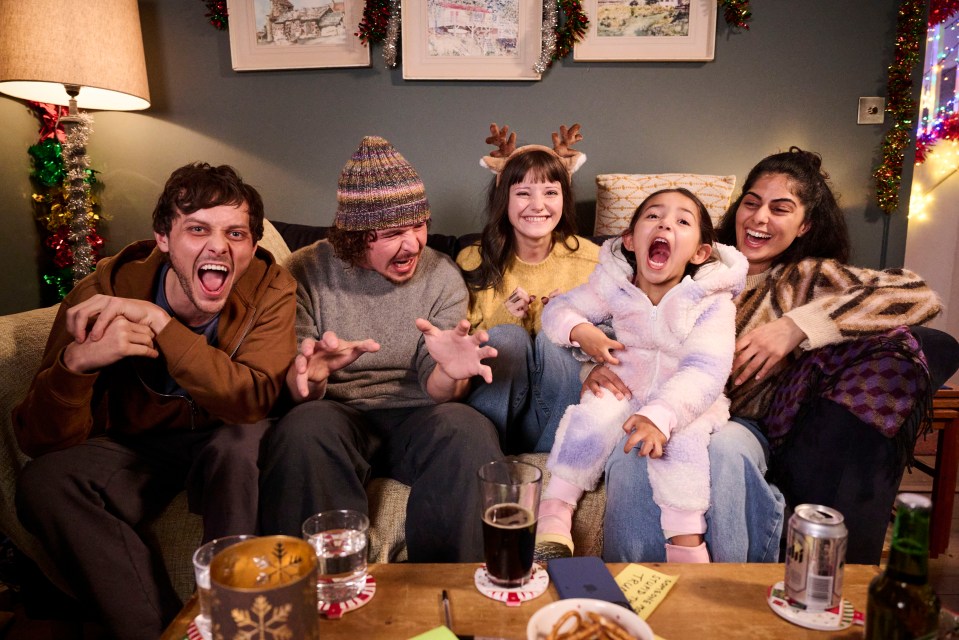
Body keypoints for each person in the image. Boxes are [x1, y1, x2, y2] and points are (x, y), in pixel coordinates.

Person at [597, 147, 957, 565]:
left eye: (780, 209)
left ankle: (726, 595)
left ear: (804, 225)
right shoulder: (693, 261)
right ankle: (629, 590)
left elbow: (916, 294)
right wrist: (594, 364)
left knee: (726, 451)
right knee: (637, 454)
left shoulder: (804, 278)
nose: (760, 218)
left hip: (736, 422)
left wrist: (797, 327)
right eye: (751, 203)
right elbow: (618, 314)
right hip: (654, 407)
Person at [13, 162, 297, 639]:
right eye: (198, 229)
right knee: (44, 482)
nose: (219, 246)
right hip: (139, 445)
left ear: (252, 245)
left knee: (240, 444)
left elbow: (251, 401)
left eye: (236, 233)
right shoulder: (102, 291)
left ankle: (233, 621)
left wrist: (161, 325)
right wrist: (77, 364)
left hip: (227, 434)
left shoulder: (270, 288)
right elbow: (39, 439)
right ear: (164, 238)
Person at [258, 136, 502, 562]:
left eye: (419, 225)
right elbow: (298, 386)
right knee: (302, 428)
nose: (413, 244)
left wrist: (450, 371)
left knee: (467, 426)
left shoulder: (442, 276)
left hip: (418, 414)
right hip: (336, 414)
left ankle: (452, 596)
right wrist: (311, 380)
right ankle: (323, 595)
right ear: (356, 236)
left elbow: (440, 390)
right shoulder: (302, 272)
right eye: (393, 233)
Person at [534, 189, 747, 563]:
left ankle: (686, 545)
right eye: (653, 216)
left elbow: (706, 369)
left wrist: (660, 416)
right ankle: (554, 514)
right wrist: (579, 330)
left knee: (681, 444)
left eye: (683, 221)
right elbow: (558, 311)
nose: (665, 223)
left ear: (700, 252)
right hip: (626, 387)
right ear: (631, 241)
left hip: (684, 402)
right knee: (592, 415)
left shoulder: (711, 302)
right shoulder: (614, 288)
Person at [457, 123, 600, 453]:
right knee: (508, 337)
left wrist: (564, 320)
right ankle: (486, 457)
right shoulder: (472, 258)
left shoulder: (592, 259)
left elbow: (613, 336)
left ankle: (559, 462)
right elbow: (461, 348)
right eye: (523, 193)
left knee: (558, 337)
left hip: (558, 413)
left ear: (564, 199)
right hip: (498, 411)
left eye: (550, 192)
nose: (538, 205)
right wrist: (502, 317)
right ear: (503, 200)